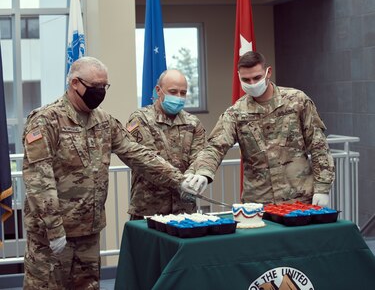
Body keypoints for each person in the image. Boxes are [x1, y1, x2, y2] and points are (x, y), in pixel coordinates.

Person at [22, 57, 198, 289]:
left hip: (89, 231)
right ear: (75, 83)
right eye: (96, 87)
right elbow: (39, 180)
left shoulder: (104, 121)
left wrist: (179, 180)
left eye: (105, 86)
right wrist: (53, 229)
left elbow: (137, 154)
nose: (101, 92)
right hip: (52, 234)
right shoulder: (47, 120)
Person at [184, 51, 335, 207]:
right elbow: (215, 146)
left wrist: (322, 187)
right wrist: (203, 171)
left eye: (256, 78)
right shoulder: (236, 113)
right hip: (258, 204)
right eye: (246, 79)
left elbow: (318, 145)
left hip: (299, 198)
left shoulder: (297, 101)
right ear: (238, 76)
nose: (252, 83)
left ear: (268, 72)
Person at [126, 69, 207, 219]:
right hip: (148, 212)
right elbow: (147, 160)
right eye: (173, 92)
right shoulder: (139, 119)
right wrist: (180, 180)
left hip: (185, 212)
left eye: (183, 93)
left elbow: (199, 157)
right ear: (159, 90)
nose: (179, 97)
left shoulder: (193, 123)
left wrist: (196, 176)